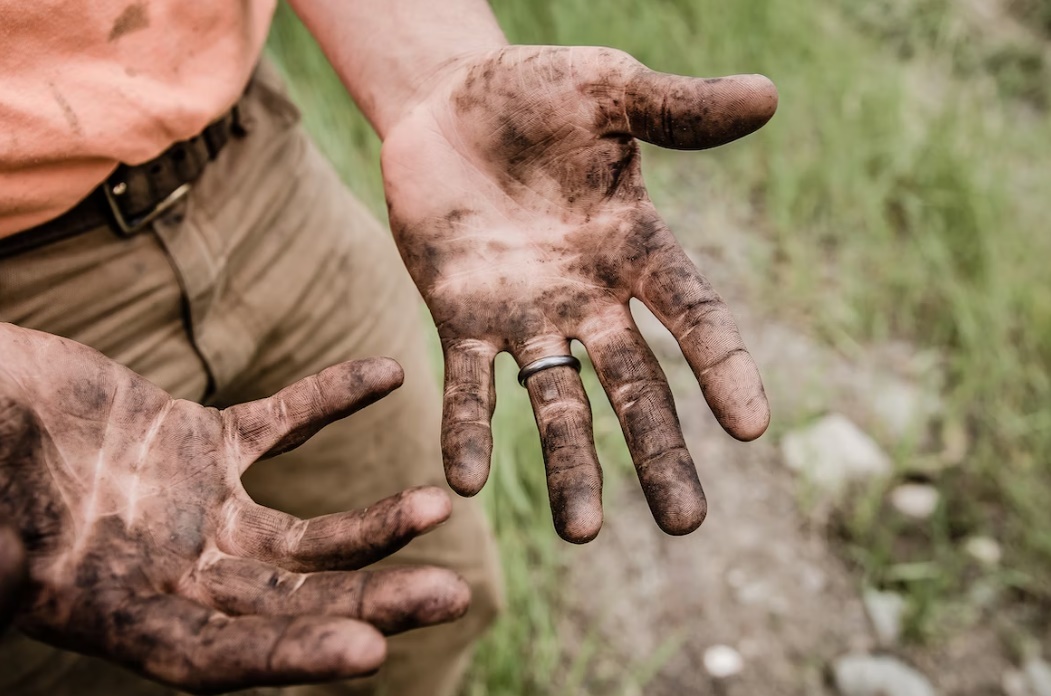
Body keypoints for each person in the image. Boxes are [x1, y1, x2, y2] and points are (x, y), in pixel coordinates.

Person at [0, 0, 777, 694]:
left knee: (424, 609)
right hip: (22, 314)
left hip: (252, 167)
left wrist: (434, 71)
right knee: (103, 661)